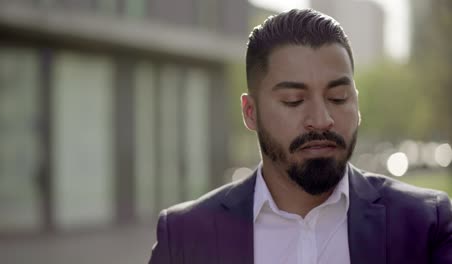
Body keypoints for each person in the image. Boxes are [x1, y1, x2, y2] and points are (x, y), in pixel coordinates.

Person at [149, 8, 452, 264]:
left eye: (338, 97)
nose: (322, 120)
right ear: (250, 112)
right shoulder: (185, 238)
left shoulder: (425, 225)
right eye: (294, 100)